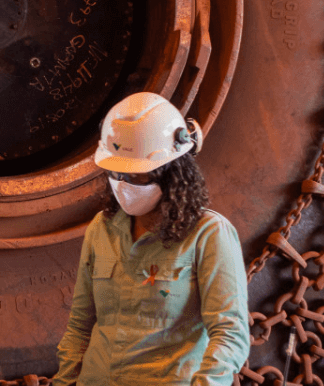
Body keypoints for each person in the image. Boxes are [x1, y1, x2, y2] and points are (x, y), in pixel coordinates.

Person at [51, 92, 249, 386]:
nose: (123, 185)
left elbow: (229, 333)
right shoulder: (102, 229)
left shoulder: (208, 235)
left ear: (172, 172)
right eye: (116, 173)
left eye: (137, 176)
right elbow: (80, 327)